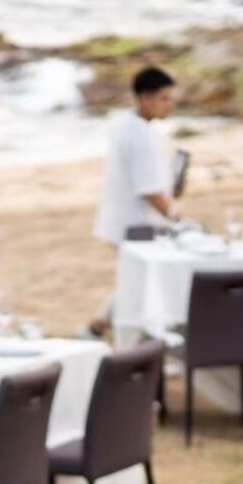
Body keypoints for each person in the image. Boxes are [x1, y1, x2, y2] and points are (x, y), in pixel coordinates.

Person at [91, 65, 178, 333]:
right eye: (164, 99)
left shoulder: (125, 126)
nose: (170, 105)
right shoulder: (141, 136)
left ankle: (98, 325)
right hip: (135, 223)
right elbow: (149, 188)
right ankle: (104, 328)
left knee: (137, 280)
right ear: (144, 98)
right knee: (143, 283)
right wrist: (175, 216)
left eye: (172, 98)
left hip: (119, 217)